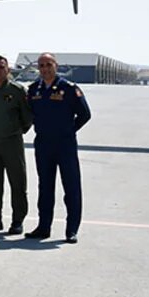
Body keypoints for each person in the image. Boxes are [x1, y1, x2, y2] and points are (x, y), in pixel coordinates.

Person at [25, 53, 91, 243]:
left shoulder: (68, 88)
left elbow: (85, 114)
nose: (45, 69)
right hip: (43, 144)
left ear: (56, 65)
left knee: (71, 186)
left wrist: (69, 130)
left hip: (65, 145)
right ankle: (44, 227)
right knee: (45, 187)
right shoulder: (33, 89)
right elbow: (30, 114)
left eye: (49, 64)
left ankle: (71, 230)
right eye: (41, 65)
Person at [0, 55, 33, 234]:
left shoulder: (17, 90)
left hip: (11, 142)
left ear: (8, 69)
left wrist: (15, 131)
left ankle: (18, 220)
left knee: (17, 182)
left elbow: (27, 117)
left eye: (1, 67)